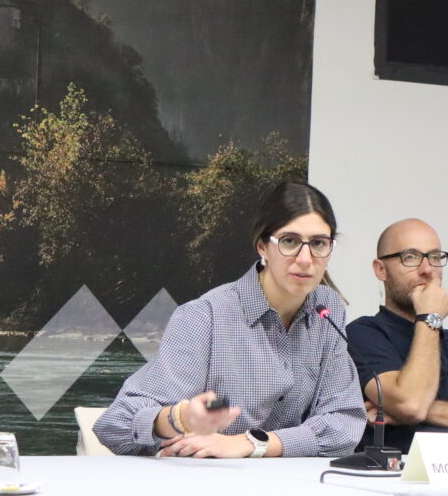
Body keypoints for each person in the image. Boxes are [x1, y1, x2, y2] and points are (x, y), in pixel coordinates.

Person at [94, 182, 366, 458]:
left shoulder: (327, 310)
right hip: (211, 489)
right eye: (289, 242)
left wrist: (252, 443)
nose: (306, 259)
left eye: (319, 243)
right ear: (263, 246)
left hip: (295, 490)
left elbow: (345, 425)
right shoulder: (205, 317)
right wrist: (179, 418)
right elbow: (115, 425)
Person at [345, 218, 448, 453]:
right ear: (381, 269)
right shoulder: (364, 334)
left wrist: (417, 410)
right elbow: (411, 404)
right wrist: (429, 317)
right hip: (401, 480)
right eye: (411, 257)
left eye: (434, 257)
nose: (427, 270)